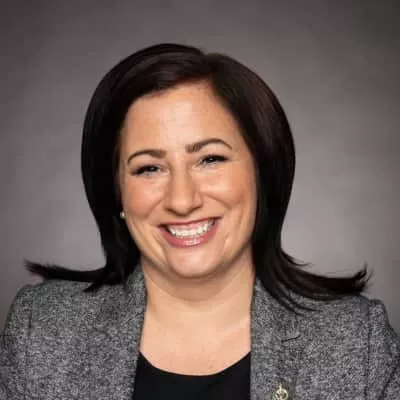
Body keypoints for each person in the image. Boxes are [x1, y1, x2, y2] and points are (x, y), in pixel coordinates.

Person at [1, 43, 399, 399]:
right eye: (149, 168)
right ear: (117, 192)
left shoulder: (354, 341)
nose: (182, 200)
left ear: (261, 171)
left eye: (210, 159)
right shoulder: (43, 331)